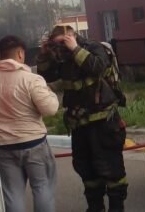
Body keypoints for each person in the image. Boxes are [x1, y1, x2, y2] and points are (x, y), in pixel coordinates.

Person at [36, 25, 127, 212]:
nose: (60, 47)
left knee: (111, 169)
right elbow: (46, 76)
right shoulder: (61, 56)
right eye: (57, 44)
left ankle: (116, 208)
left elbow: (98, 67)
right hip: (79, 125)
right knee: (86, 170)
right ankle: (95, 208)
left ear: (71, 36)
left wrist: (75, 49)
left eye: (63, 42)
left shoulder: (93, 48)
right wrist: (45, 55)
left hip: (104, 123)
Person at [0, 35, 59, 212]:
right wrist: (50, 93)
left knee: (12, 194)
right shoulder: (31, 79)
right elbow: (50, 109)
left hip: (2, 146)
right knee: (42, 187)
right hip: (34, 144)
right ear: (20, 53)